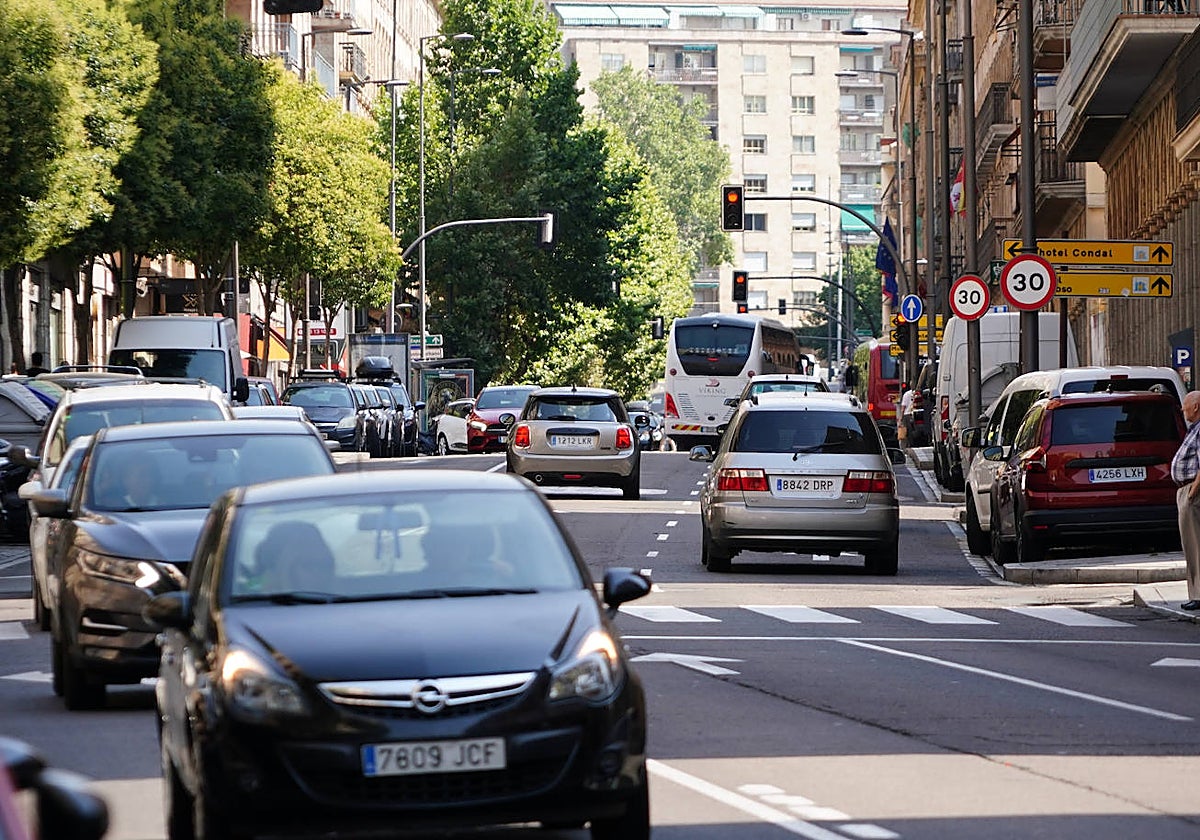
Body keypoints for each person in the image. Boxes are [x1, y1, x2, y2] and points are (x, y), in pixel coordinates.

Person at [1170, 390, 1200, 611]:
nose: (1182, 409)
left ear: (1196, 407)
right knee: (1191, 545)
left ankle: (1198, 595)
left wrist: (1191, 494)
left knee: (1194, 545)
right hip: (1187, 490)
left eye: (1185, 406)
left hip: (1192, 491)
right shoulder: (1194, 429)